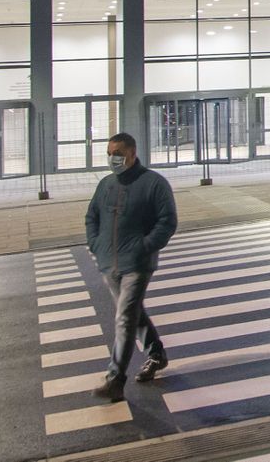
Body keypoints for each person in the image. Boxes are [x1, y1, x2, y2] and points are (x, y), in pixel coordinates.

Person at [84, 131, 178, 401]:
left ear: (132, 154)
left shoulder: (153, 184)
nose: (113, 159)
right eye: (110, 154)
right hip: (108, 262)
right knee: (133, 314)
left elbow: (167, 221)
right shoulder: (105, 185)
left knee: (125, 318)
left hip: (137, 264)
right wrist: (95, 243)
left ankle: (115, 379)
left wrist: (144, 246)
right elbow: (91, 216)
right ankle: (157, 354)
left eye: (118, 154)